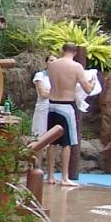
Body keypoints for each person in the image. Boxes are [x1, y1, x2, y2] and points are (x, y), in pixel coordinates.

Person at [44, 43, 89, 185]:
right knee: (66, 143)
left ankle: (50, 176)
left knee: (51, 141)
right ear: (75, 52)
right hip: (66, 105)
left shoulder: (52, 65)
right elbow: (87, 89)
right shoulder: (76, 67)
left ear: (62, 50)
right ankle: (64, 177)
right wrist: (92, 83)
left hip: (51, 105)